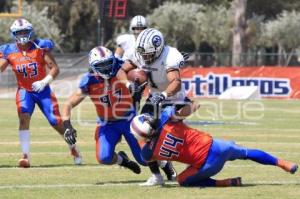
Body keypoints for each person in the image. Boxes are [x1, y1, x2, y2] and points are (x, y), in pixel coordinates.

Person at [130, 106, 299, 187]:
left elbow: (146, 153)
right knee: (246, 152)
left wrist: (143, 137)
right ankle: (282, 163)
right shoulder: (166, 119)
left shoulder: (149, 152)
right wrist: (175, 110)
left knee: (182, 180)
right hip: (218, 146)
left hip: (208, 166)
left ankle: (224, 183)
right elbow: (191, 107)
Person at [0, 18, 81, 168]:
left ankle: (74, 148)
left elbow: (55, 68)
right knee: (23, 118)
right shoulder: (9, 50)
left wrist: (44, 82)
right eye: (19, 32)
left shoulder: (40, 46)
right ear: (14, 34)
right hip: (24, 90)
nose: (22, 34)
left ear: (30, 31)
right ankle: (25, 156)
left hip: (43, 90)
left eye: (25, 31)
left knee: (55, 122)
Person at [61, 46, 147, 174]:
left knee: (144, 159)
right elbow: (68, 104)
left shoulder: (122, 69)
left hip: (128, 119)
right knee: (104, 157)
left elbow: (144, 70)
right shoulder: (89, 80)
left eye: (108, 63)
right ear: (93, 67)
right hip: (107, 123)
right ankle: (122, 160)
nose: (107, 68)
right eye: (102, 65)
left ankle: (165, 165)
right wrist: (67, 126)